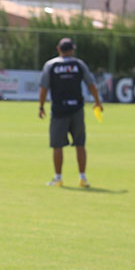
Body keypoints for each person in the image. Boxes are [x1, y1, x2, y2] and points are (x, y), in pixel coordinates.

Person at [38, 37, 103, 187]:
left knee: (57, 145)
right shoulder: (79, 64)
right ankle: (83, 178)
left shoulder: (51, 65)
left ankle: (58, 178)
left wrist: (41, 106)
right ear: (72, 50)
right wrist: (97, 102)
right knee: (80, 144)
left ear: (58, 49)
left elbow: (43, 88)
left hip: (59, 110)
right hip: (77, 110)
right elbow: (91, 84)